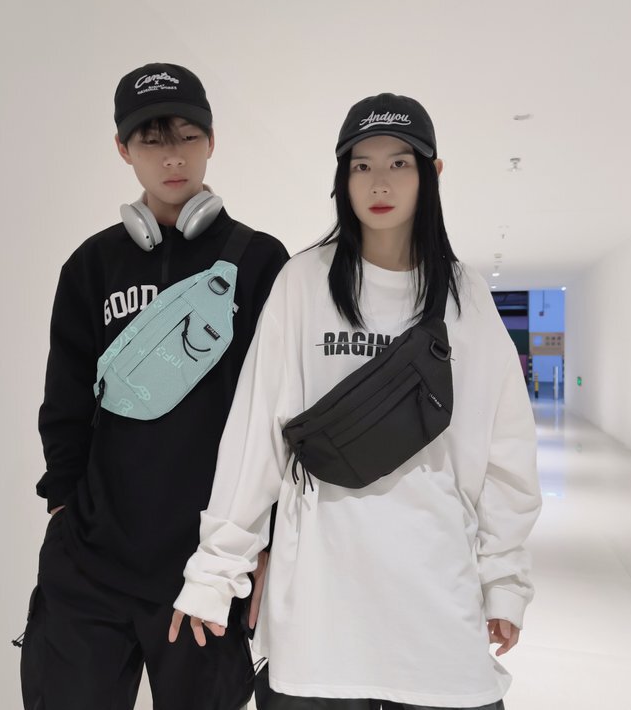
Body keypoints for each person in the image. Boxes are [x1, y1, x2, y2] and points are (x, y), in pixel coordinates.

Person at [169, 93, 542, 709]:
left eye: (399, 163)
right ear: (342, 177)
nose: (379, 183)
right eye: (362, 165)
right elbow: (256, 435)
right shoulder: (304, 283)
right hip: (319, 617)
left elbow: (506, 449)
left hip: (436, 607)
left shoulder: (465, 297)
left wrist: (503, 577)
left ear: (432, 173)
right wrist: (216, 569)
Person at [19, 62, 289, 710]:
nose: (173, 157)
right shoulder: (91, 265)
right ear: (123, 149)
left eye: (188, 136)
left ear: (212, 140)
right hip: (91, 562)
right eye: (151, 140)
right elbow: (65, 400)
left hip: (207, 566)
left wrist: (267, 537)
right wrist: (63, 509)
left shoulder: (260, 263)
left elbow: (280, 415)